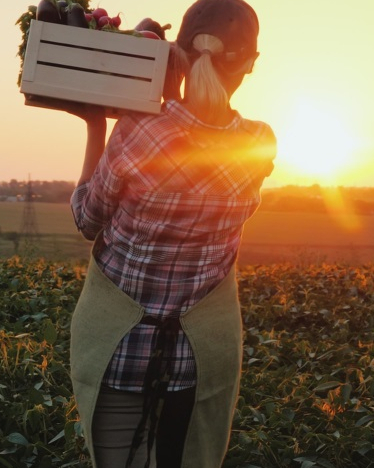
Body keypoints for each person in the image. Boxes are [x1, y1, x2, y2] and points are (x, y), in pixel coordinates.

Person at [63, 0, 276, 466]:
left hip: (120, 353)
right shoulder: (259, 143)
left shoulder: (138, 131)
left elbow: (87, 219)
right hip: (198, 363)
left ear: (177, 52)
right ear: (248, 64)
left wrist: (98, 125)